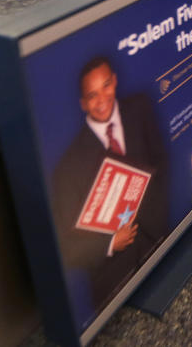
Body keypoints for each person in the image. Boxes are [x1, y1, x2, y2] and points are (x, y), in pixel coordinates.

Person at [52, 57, 169, 311]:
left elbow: (162, 162)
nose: (102, 98)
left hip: (161, 246)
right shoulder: (67, 169)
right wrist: (109, 243)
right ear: (83, 103)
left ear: (115, 81)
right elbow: (67, 249)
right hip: (114, 284)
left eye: (106, 86)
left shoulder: (140, 108)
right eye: (92, 95)